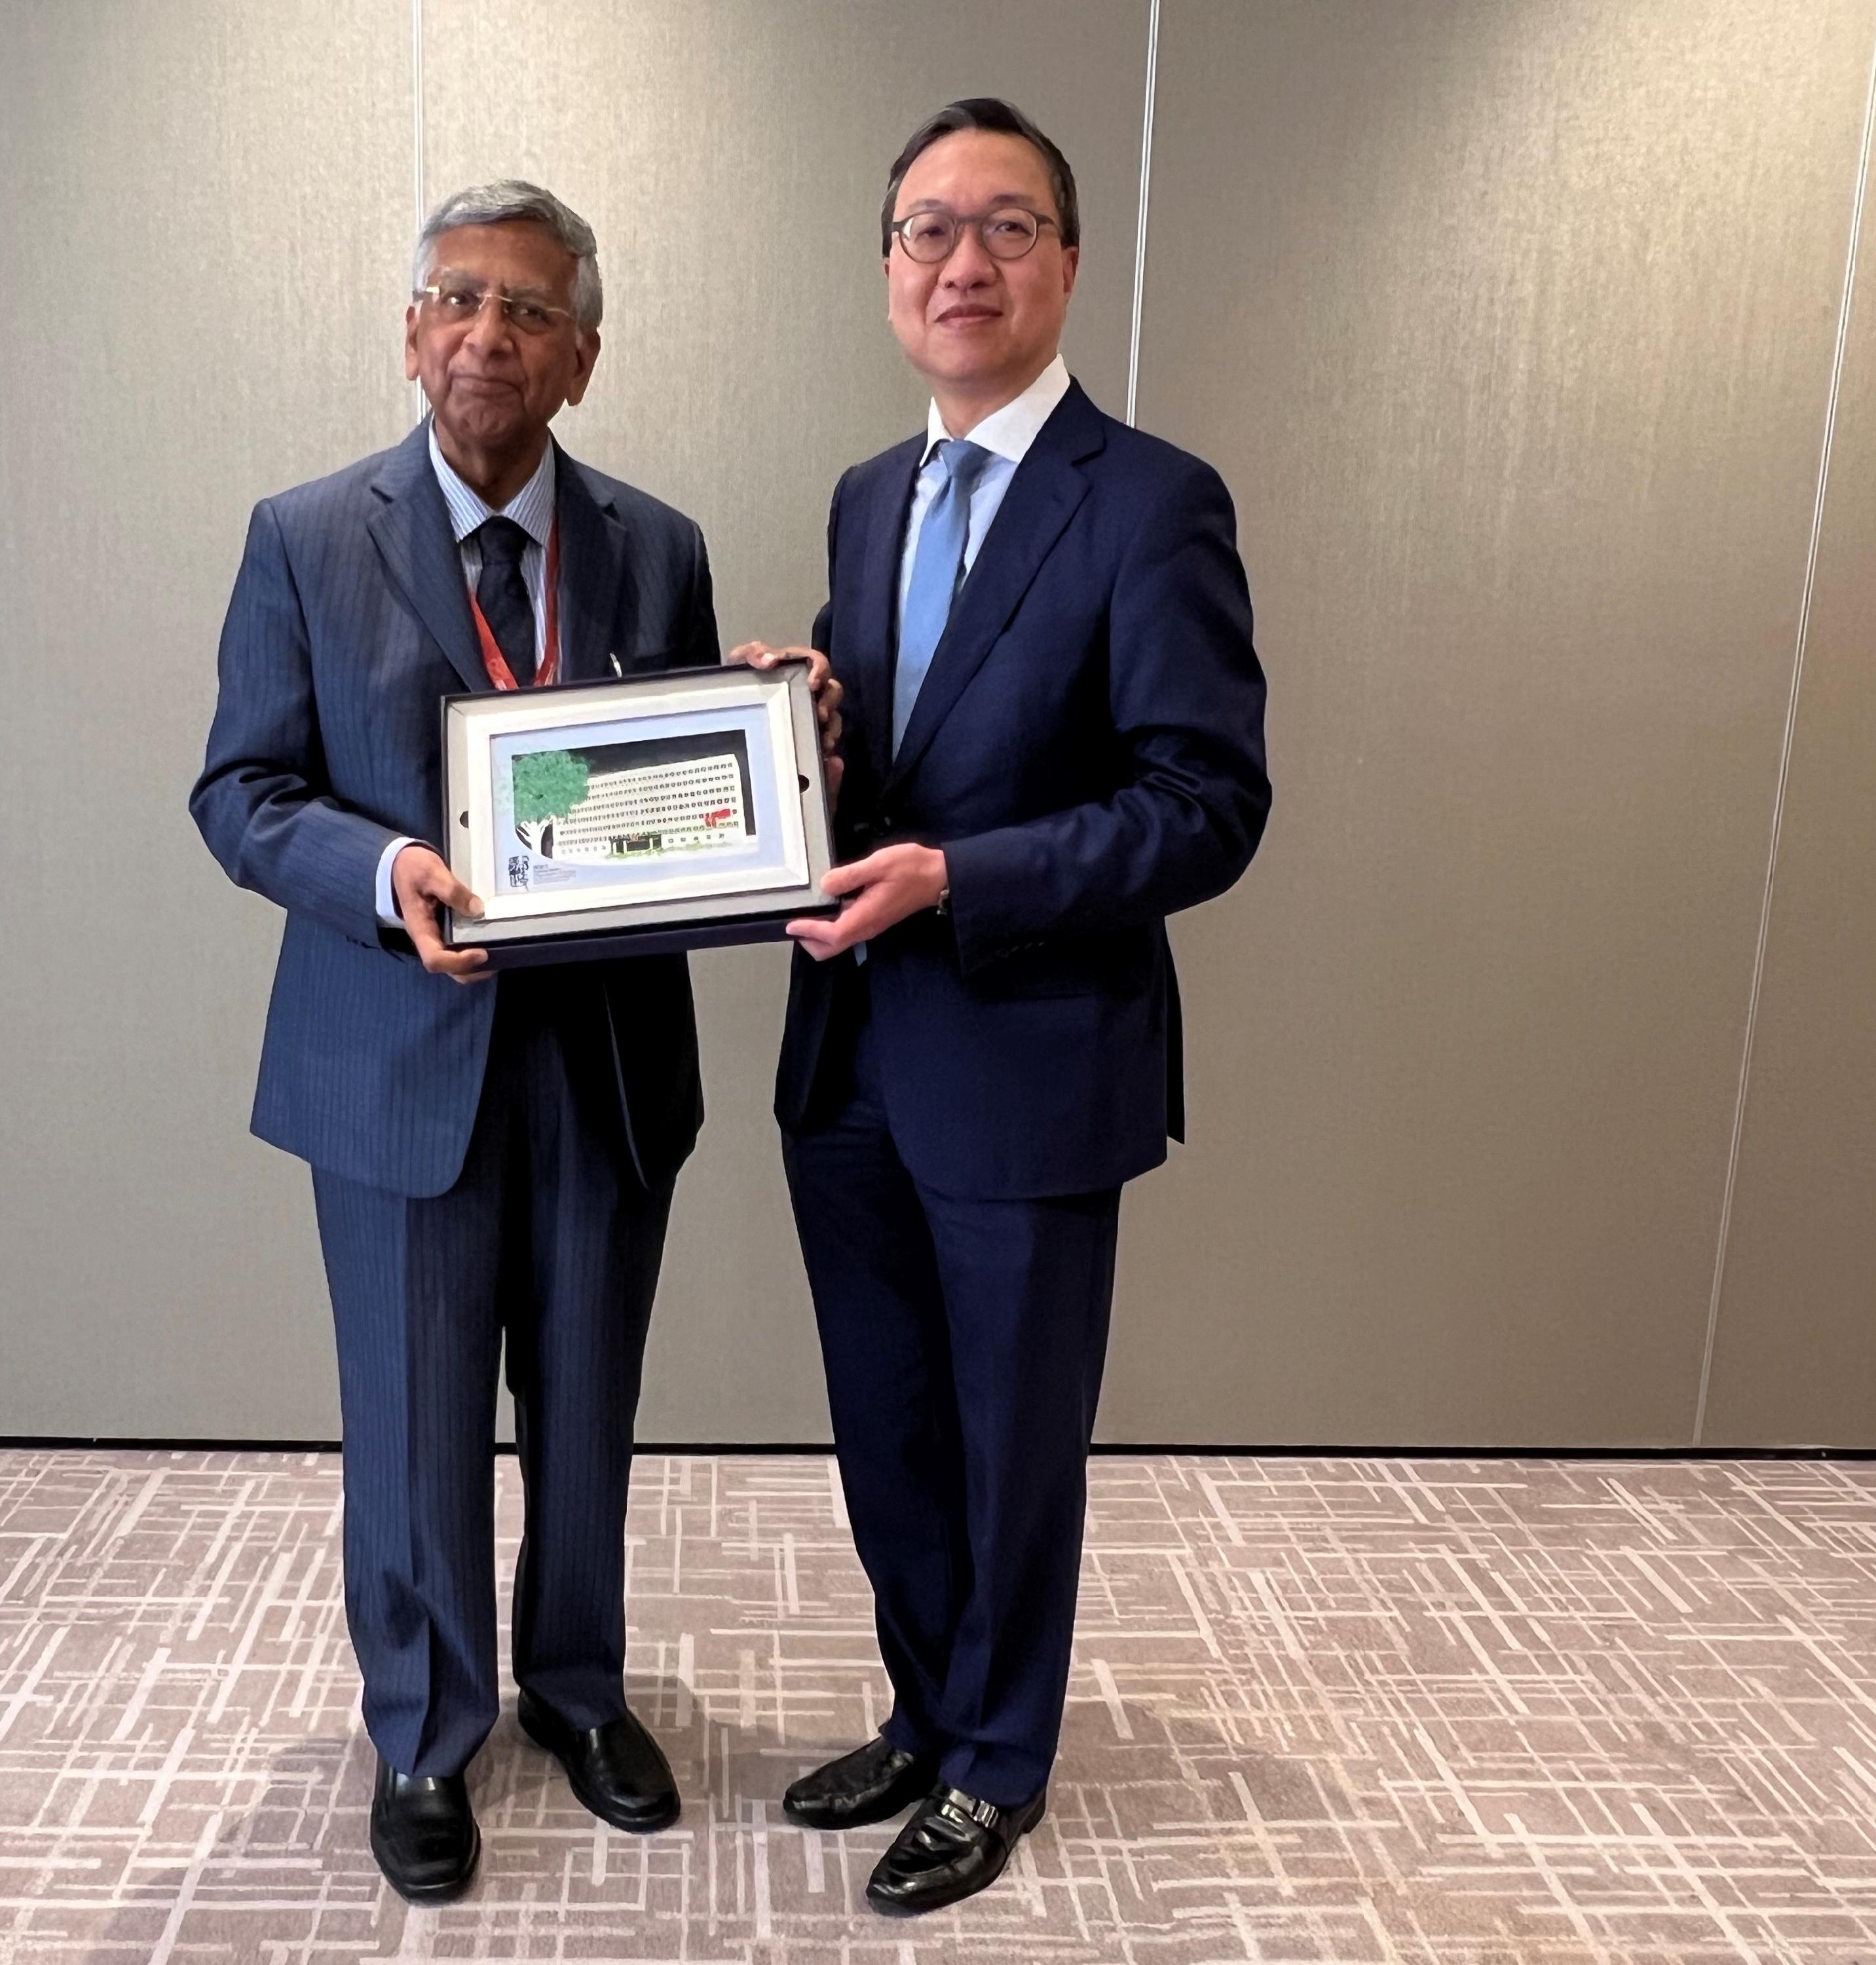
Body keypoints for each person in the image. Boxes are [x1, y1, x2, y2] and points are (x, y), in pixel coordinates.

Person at [191, 179, 833, 1902]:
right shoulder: (303, 536)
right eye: (460, 300)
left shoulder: (660, 545)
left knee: (587, 1407)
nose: (490, 334)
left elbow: (707, 795)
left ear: (584, 358)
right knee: (407, 1419)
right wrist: (384, 866)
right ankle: (420, 1726)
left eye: (531, 311)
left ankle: (576, 1690)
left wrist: (785, 734)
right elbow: (240, 794)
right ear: (412, 333)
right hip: (398, 1061)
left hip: (607, 1064)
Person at [749, 99, 1271, 1915]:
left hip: (1034, 1062)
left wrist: (965, 878)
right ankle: (924, 1707)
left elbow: (1207, 803)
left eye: (1005, 228)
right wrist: (792, 736)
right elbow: (883, 764)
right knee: (889, 1418)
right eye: (925, 232)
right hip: (854, 1056)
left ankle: (999, 1760)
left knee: (1011, 1431)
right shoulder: (868, 495)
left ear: (1066, 259)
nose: (960, 264)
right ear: (887, 269)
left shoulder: (1150, 502)